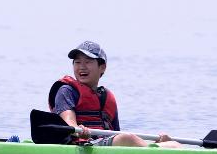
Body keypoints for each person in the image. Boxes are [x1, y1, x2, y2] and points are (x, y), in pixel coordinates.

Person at [48, 41, 181, 147]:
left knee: (170, 142)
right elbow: (70, 123)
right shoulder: (66, 91)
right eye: (77, 62)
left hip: (102, 145)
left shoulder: (107, 97)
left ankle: (162, 148)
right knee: (127, 138)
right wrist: (79, 130)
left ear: (102, 67)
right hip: (79, 145)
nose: (81, 67)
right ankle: (158, 151)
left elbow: (115, 132)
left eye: (88, 61)